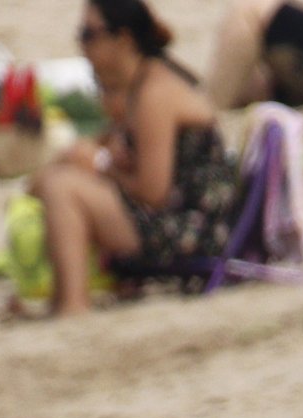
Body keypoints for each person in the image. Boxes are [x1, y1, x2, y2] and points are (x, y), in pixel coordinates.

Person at [27, 0, 238, 317]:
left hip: (192, 229)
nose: (82, 45)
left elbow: (154, 193)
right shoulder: (137, 88)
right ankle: (61, 298)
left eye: (88, 34)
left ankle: (72, 305)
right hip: (178, 218)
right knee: (58, 178)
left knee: (64, 188)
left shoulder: (155, 93)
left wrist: (100, 166)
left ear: (123, 40)